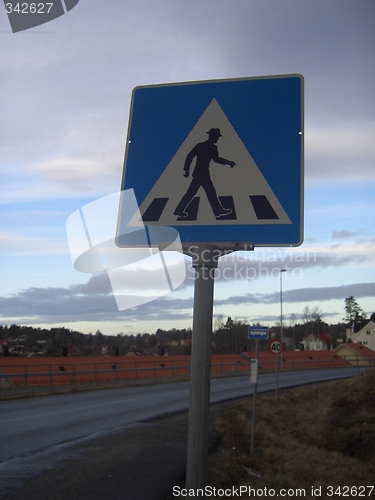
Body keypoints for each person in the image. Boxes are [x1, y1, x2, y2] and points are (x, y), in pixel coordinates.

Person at [174, 128, 236, 219]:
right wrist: (186, 170)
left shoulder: (213, 147)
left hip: (203, 173)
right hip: (200, 174)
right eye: (216, 137)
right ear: (212, 136)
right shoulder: (201, 145)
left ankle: (217, 210)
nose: (217, 139)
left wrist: (228, 162)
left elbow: (216, 159)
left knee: (206, 192)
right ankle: (217, 210)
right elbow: (190, 155)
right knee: (200, 192)